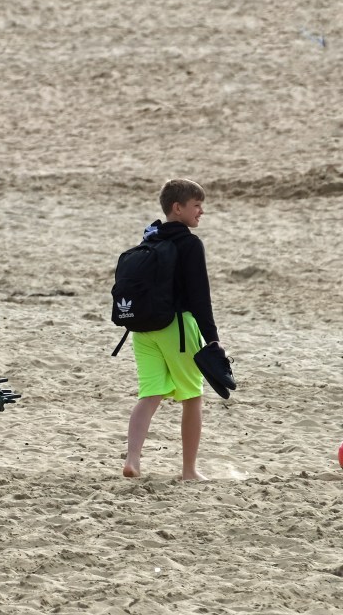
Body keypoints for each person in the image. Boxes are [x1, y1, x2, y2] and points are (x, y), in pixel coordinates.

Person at [122, 178, 225, 480]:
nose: (201, 211)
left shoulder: (150, 239)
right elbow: (199, 296)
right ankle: (189, 470)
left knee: (150, 394)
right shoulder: (189, 244)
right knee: (192, 397)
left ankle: (132, 460)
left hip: (142, 329)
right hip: (177, 328)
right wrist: (213, 339)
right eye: (196, 205)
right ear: (177, 208)